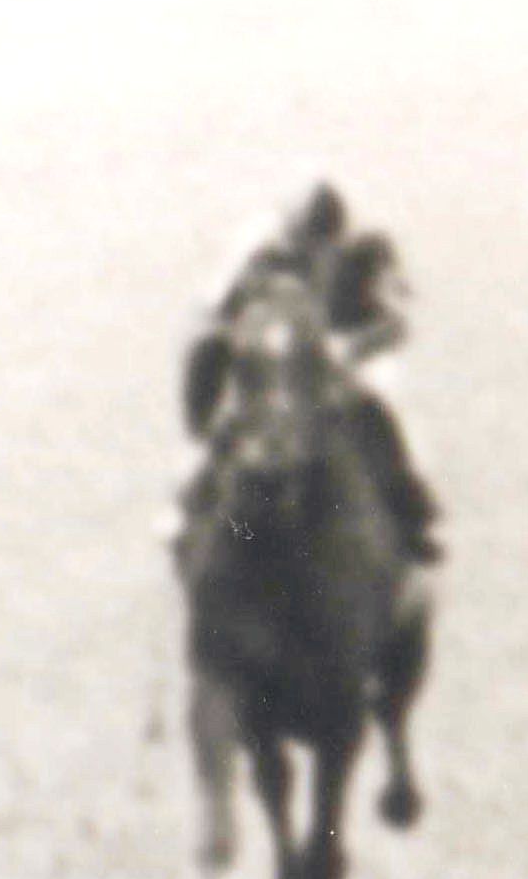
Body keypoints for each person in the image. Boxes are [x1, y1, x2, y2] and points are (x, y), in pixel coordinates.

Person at [182, 172, 437, 596]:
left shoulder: (364, 253)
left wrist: (355, 348)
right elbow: (215, 313)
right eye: (306, 243)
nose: (315, 254)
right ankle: (188, 518)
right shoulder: (259, 254)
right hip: (268, 364)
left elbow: (396, 318)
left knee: (373, 415)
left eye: (322, 245)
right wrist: (231, 341)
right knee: (222, 440)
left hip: (336, 368)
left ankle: (411, 516)